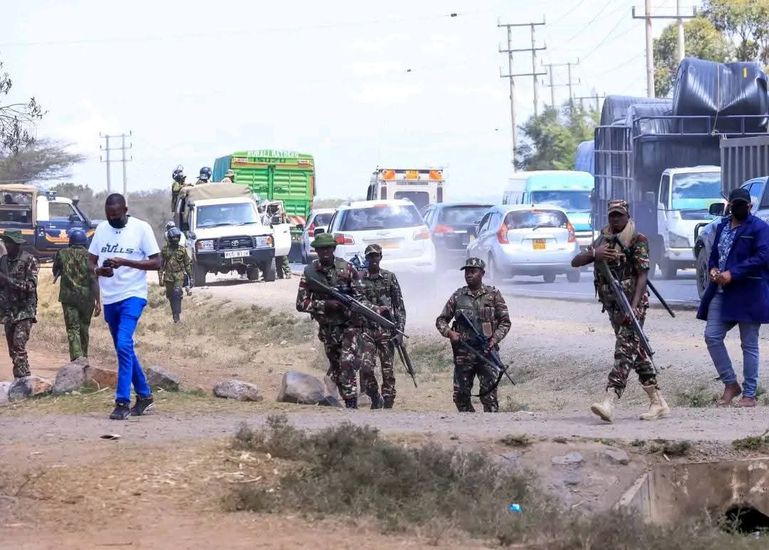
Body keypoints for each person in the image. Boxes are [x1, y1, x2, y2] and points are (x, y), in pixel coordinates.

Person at [571, 199, 669, 422]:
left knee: (624, 350)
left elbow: (643, 275)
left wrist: (634, 308)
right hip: (613, 305)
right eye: (612, 216)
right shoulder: (602, 240)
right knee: (636, 352)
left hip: (633, 303)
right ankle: (658, 402)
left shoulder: (637, 240)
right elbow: (575, 262)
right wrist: (595, 254)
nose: (615, 219)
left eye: (619, 215)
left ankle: (610, 400)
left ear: (627, 216)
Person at [88, 194, 162, 420]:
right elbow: (90, 260)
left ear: (126, 210)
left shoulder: (141, 228)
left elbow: (158, 262)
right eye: (109, 216)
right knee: (125, 348)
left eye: (117, 216)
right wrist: (99, 271)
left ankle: (122, 401)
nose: (113, 220)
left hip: (133, 295)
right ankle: (145, 396)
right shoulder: (101, 229)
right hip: (110, 298)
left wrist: (125, 262)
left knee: (122, 343)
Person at [697, 187, 769, 408]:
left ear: (749, 206)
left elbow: (763, 256)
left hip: (749, 293)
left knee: (749, 344)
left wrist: (733, 273)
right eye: (734, 204)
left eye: (741, 205)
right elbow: (715, 256)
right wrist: (713, 270)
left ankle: (749, 395)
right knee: (712, 336)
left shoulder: (759, 227)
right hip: (722, 292)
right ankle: (730, 383)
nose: (737, 208)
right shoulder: (722, 227)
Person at [296, 232, 368, 409]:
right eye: (321, 249)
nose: (325, 252)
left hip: (349, 326)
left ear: (334, 249)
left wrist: (351, 308)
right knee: (337, 367)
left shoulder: (347, 269)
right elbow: (301, 303)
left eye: (328, 248)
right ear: (317, 251)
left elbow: (362, 298)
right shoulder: (310, 273)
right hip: (328, 329)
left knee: (346, 361)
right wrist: (325, 305)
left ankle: (352, 405)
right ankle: (345, 402)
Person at [435, 257, 511, 412]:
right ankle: (469, 427)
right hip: (464, 353)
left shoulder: (493, 295)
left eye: (473, 271)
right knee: (460, 396)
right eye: (467, 272)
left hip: (487, 352)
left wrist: (494, 338)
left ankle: (491, 430)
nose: (469, 274)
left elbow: (505, 322)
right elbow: (441, 320)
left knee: (489, 397)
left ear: (482, 273)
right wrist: (449, 333)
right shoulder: (458, 296)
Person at [359, 244, 406, 409]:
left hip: (387, 331)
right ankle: (374, 396)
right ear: (366, 258)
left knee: (388, 371)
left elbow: (399, 307)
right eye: (370, 256)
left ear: (380, 257)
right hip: (367, 331)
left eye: (376, 256)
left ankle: (388, 403)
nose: (373, 259)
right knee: (365, 367)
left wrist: (400, 331)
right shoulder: (360, 279)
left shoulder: (389, 277)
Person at [52, 229, 101, 361]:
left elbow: (55, 270)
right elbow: (94, 278)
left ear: (70, 241)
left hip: (68, 298)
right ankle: (84, 357)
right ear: (85, 242)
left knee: (73, 329)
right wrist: (98, 301)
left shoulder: (62, 253)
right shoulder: (90, 256)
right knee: (84, 328)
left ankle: (76, 359)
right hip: (87, 298)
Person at [0, 231, 38, 379]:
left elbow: (31, 286)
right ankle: (19, 379)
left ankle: (24, 380)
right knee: (12, 351)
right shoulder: (2, 261)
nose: (7, 245)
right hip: (8, 311)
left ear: (17, 244)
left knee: (18, 346)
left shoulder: (29, 260)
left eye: (10, 242)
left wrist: (8, 280)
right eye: (6, 242)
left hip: (25, 311)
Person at [159, 227, 193, 323]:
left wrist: (191, 278)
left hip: (179, 275)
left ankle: (177, 315)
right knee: (171, 296)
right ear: (169, 238)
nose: (175, 239)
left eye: (177, 237)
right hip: (168, 277)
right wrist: (160, 278)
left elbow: (187, 264)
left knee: (177, 293)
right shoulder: (165, 250)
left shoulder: (182, 250)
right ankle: (174, 313)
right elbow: (161, 265)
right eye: (173, 238)